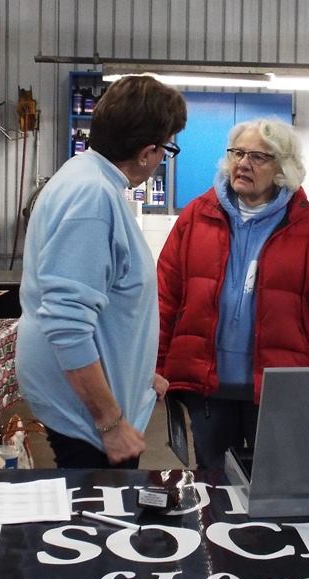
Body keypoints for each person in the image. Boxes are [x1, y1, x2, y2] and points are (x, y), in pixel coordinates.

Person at [157, 118, 309, 472]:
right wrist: (158, 367)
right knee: (215, 481)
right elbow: (165, 299)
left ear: (283, 168)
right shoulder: (195, 218)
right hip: (207, 387)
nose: (243, 163)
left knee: (277, 480)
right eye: (237, 153)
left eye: (258, 157)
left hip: (281, 391)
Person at [15, 75, 187, 469]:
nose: (161, 158)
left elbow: (105, 298)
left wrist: (138, 372)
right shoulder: (93, 198)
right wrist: (110, 422)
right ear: (147, 153)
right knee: (100, 507)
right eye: (166, 148)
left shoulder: (87, 179)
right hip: (89, 416)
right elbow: (67, 324)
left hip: (93, 398)